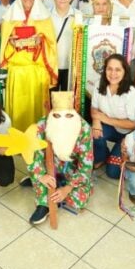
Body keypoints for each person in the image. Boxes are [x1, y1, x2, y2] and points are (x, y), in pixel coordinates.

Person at [0, 0, 58, 131]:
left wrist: (41, 40)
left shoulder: (44, 18)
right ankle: (16, 137)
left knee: (36, 107)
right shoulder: (9, 17)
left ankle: (37, 137)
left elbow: (51, 44)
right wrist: (11, 42)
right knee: (18, 107)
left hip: (36, 70)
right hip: (17, 70)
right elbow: (4, 43)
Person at [27, 91, 93, 225]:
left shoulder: (84, 128)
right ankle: (44, 204)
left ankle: (51, 193)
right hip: (48, 167)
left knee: (78, 200)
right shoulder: (43, 124)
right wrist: (40, 175)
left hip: (72, 170)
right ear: (52, 112)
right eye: (57, 115)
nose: (62, 120)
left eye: (68, 115)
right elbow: (34, 153)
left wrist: (67, 189)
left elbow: (86, 166)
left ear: (73, 113)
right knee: (39, 176)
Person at [91, 54, 135, 179]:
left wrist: (105, 119)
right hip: (111, 128)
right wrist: (96, 122)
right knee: (94, 132)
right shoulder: (99, 84)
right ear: (105, 70)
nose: (113, 73)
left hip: (129, 134)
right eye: (109, 69)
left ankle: (122, 154)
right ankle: (102, 157)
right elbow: (94, 108)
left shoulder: (133, 93)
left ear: (125, 71)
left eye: (118, 69)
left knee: (113, 172)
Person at [50, 0, 76, 91]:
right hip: (51, 66)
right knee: (51, 99)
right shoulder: (46, 15)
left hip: (70, 66)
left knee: (67, 99)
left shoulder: (78, 16)